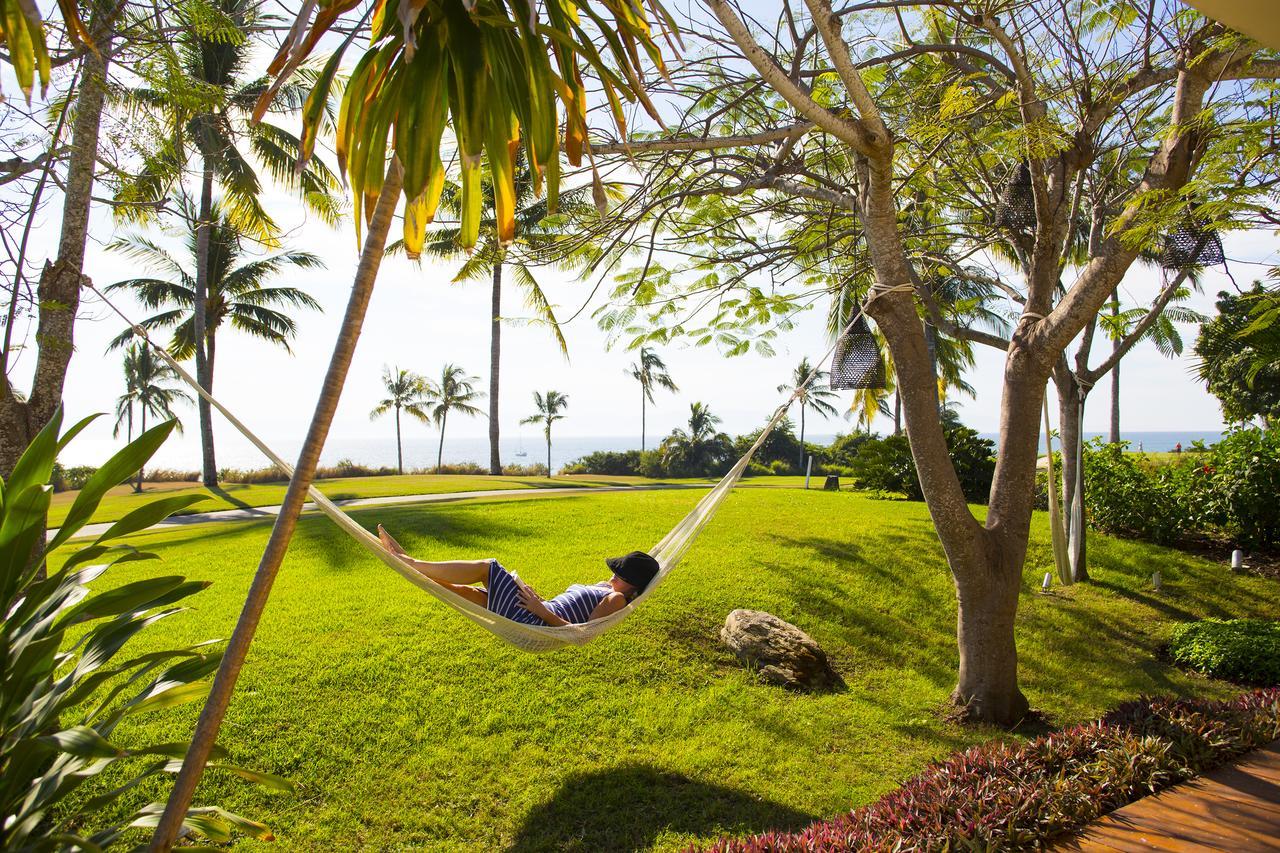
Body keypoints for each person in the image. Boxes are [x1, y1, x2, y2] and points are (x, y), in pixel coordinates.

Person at [377, 525, 658, 627]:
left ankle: (410, 562)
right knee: (473, 595)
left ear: (630, 582)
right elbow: (570, 609)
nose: (612, 575)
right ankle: (412, 569)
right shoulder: (607, 588)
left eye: (618, 573)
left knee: (487, 567)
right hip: (536, 611)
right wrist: (540, 600)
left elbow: (581, 634)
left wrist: (538, 609)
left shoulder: (617, 599)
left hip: (535, 620)